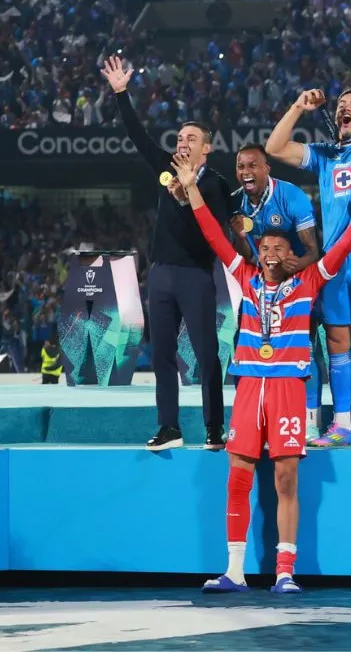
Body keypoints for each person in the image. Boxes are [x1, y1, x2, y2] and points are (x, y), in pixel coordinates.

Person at [180, 150, 351, 595]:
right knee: (238, 474)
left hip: (288, 387)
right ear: (257, 253)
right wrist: (194, 190)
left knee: (285, 477)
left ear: (291, 253)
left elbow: (343, 246)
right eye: (266, 247)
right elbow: (216, 238)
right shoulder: (245, 276)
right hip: (249, 384)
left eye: (280, 247)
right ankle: (234, 571)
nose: (272, 251)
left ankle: (284, 572)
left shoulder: (310, 280)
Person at [102, 55, 232, 451]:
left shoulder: (216, 185)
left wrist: (186, 196)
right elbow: (138, 135)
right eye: (178, 138)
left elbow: (212, 232)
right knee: (162, 355)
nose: (181, 143)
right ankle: (169, 427)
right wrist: (122, 94)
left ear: (207, 149)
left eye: (191, 139)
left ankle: (214, 428)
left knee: (207, 355)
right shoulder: (165, 168)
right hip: (160, 275)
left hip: (195, 274)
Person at [266, 85, 351, 448]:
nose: (345, 109)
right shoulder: (324, 155)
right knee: (337, 340)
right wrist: (298, 106)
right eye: (341, 106)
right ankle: (342, 425)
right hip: (334, 263)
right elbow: (274, 148)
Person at [231, 143, 323, 437]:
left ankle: (310, 418)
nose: (246, 172)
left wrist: (294, 268)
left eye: (252, 166)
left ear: (266, 168)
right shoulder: (238, 204)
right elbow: (245, 255)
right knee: (246, 348)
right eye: (241, 167)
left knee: (303, 350)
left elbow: (314, 250)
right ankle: (254, 415)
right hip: (263, 285)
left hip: (297, 281)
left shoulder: (291, 196)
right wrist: (241, 237)